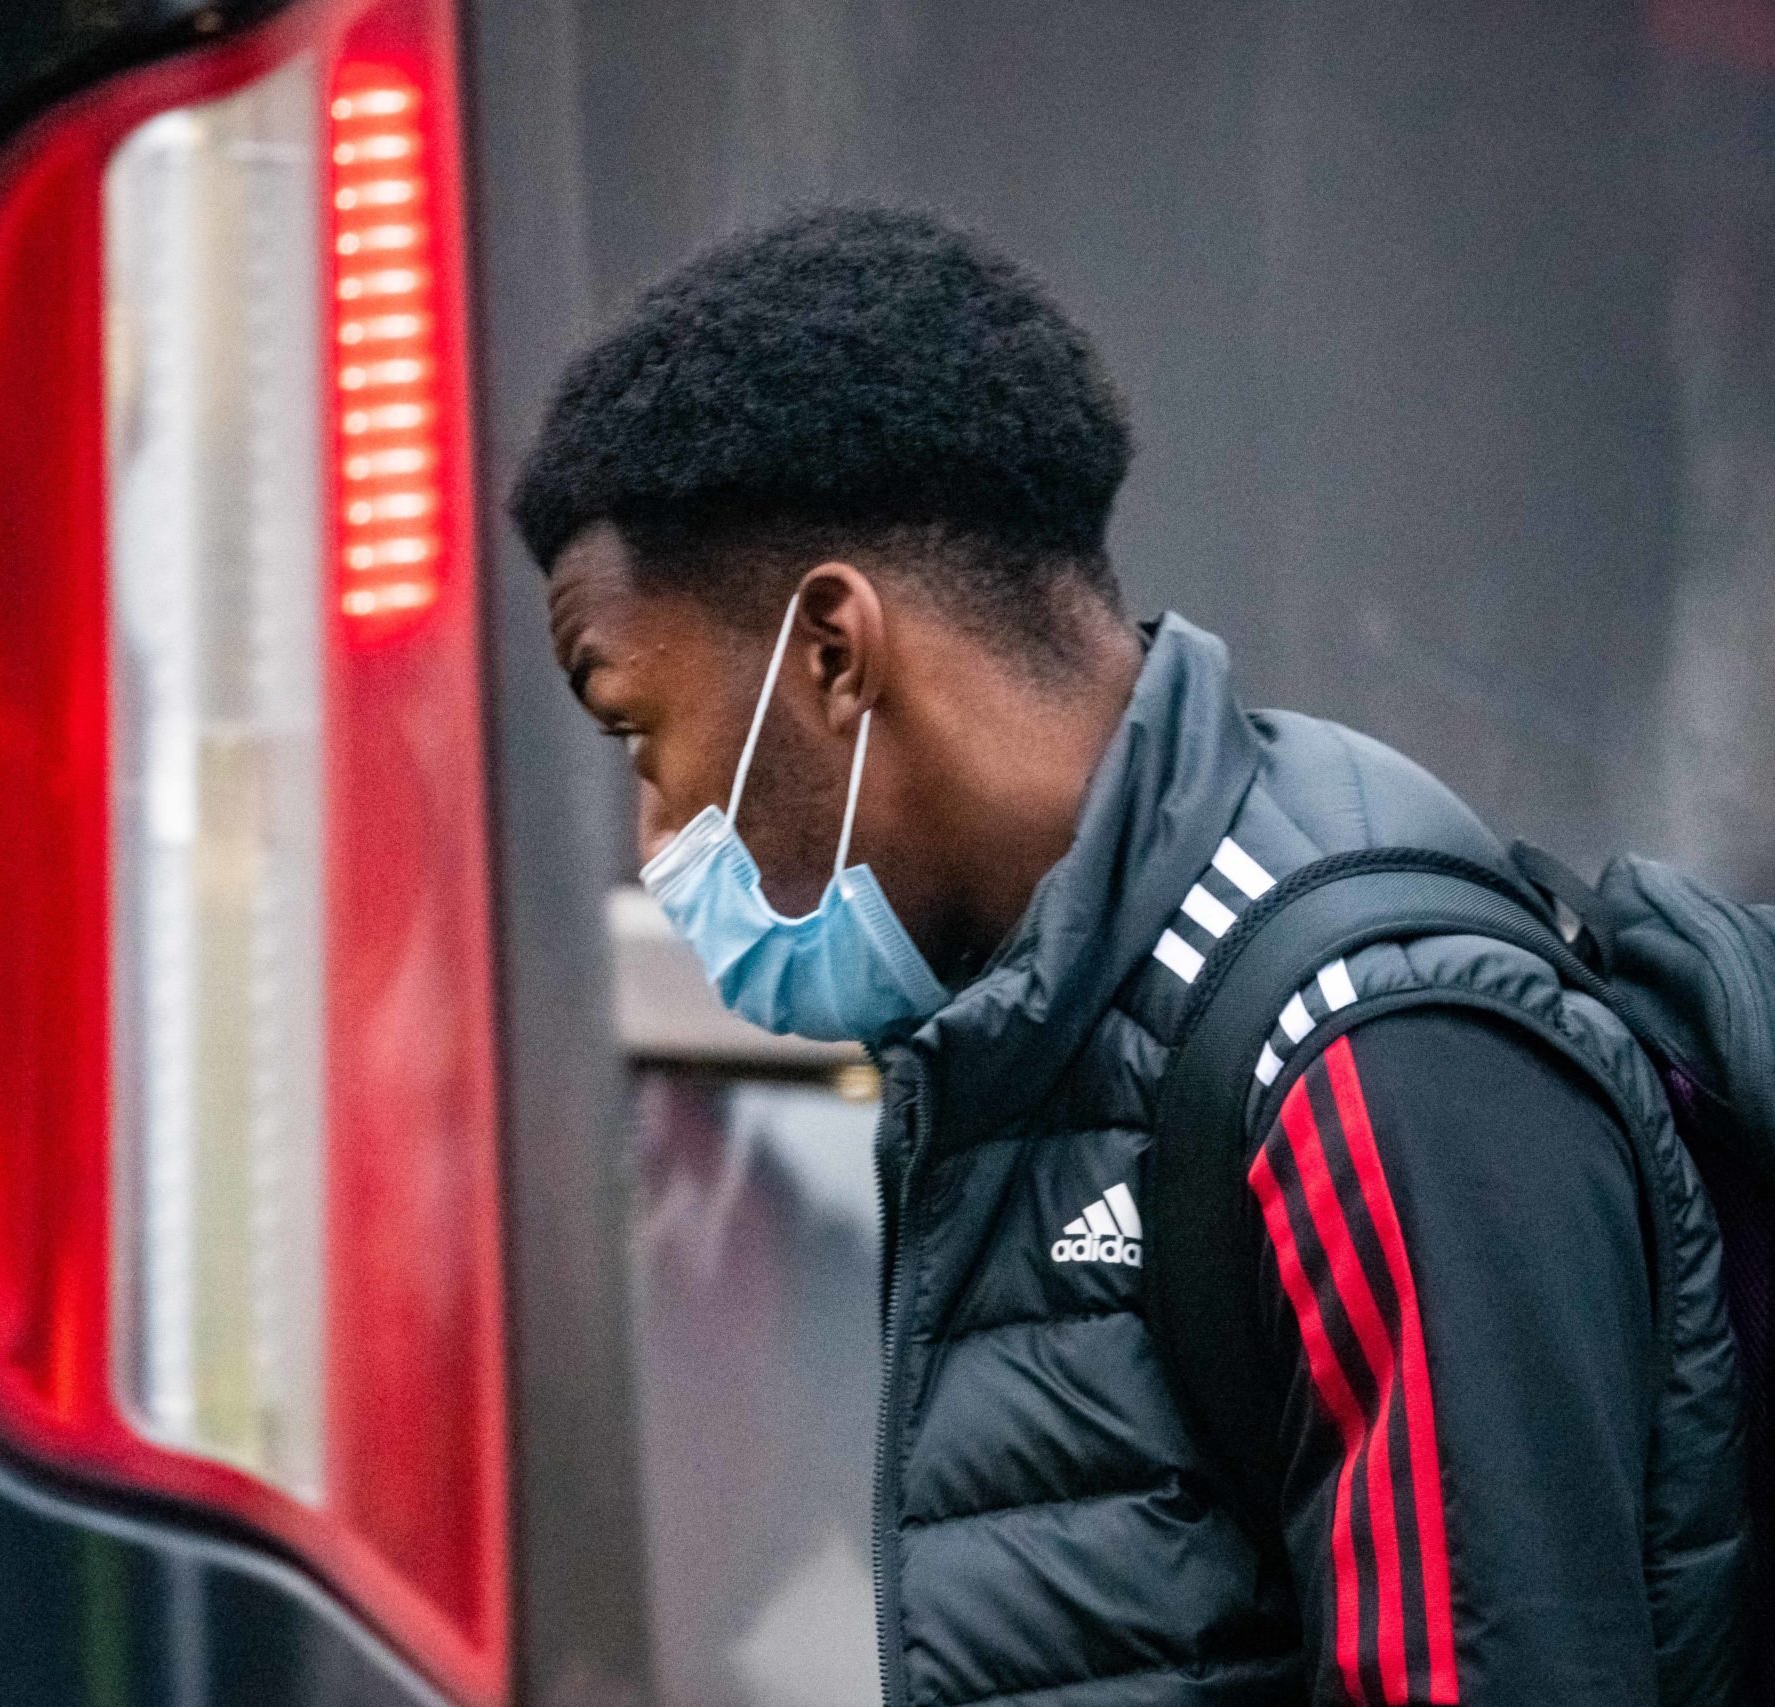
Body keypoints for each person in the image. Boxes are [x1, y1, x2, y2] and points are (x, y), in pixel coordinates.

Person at [512, 206, 1745, 1706]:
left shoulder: (1363, 1048)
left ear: (832, 655)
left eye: (642, 732)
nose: (652, 837)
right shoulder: (1028, 1036)